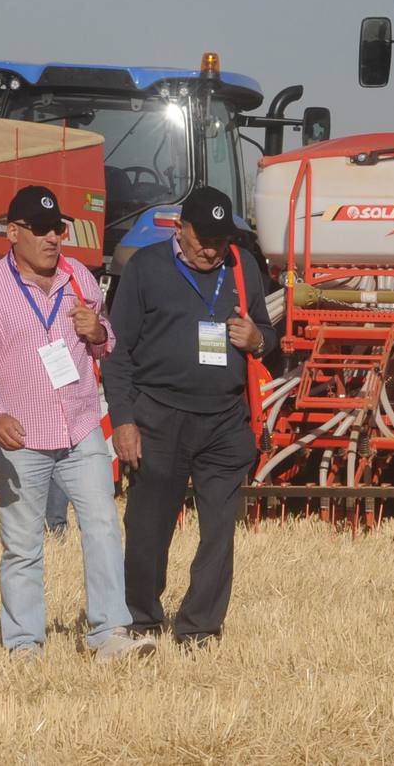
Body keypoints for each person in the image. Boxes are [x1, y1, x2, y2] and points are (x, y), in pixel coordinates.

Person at [0, 185, 155, 661]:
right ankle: (25, 643)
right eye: (41, 229)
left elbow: (106, 345)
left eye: (59, 229)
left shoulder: (81, 279)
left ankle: (109, 633)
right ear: (13, 232)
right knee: (23, 544)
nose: (53, 238)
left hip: (81, 425)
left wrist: (99, 333)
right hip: (21, 432)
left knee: (104, 527)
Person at [102, 186, 276, 648]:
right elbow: (117, 354)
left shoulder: (243, 267)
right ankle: (142, 618)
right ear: (181, 228)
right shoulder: (145, 268)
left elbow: (271, 335)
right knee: (147, 527)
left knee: (219, 529)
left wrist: (258, 339)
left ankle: (200, 628)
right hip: (158, 417)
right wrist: (123, 421)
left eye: (221, 239)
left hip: (223, 420)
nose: (211, 248)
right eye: (203, 237)